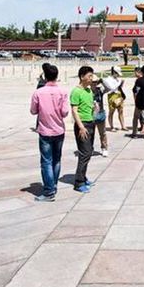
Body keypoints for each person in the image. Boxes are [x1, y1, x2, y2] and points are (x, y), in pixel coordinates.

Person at [30, 64, 70, 202]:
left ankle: (48, 191)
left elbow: (33, 111)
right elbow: (65, 112)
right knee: (56, 159)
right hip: (59, 130)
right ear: (57, 76)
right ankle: (54, 185)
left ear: (45, 77)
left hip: (45, 131)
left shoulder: (38, 92)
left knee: (46, 161)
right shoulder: (63, 92)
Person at [70, 66, 97, 193]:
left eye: (92, 76)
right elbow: (74, 110)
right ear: (82, 77)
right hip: (83, 125)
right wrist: (80, 126)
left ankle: (83, 176)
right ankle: (78, 182)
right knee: (84, 153)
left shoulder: (89, 91)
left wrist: (94, 108)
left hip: (91, 122)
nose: (91, 78)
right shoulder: (76, 91)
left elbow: (90, 105)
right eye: (89, 76)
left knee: (89, 151)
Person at [91, 76, 109, 157]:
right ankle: (90, 148)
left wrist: (102, 81)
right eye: (93, 82)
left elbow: (109, 88)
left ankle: (104, 148)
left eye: (95, 82)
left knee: (102, 133)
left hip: (100, 114)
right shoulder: (87, 91)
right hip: (91, 115)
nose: (94, 84)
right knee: (91, 134)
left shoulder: (99, 90)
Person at [105, 66, 126, 131]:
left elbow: (119, 87)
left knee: (121, 111)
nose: (118, 75)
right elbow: (112, 88)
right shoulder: (108, 79)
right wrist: (119, 83)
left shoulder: (117, 79)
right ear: (114, 72)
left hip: (119, 95)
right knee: (111, 111)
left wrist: (121, 83)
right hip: (112, 95)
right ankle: (112, 126)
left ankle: (123, 126)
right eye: (117, 73)